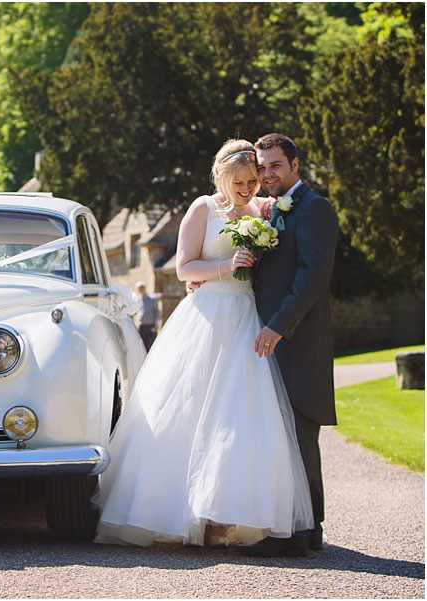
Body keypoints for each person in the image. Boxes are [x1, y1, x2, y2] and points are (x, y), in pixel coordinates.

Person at [94, 139, 314, 550]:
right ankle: (182, 512)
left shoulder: (261, 212)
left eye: (252, 181)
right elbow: (182, 267)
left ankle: (227, 516)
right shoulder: (203, 208)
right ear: (221, 177)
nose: (248, 188)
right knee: (189, 411)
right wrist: (226, 266)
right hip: (206, 317)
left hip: (245, 317)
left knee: (240, 416)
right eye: (240, 181)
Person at [239, 133, 339, 557]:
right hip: (265, 340)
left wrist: (278, 327)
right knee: (275, 436)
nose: (267, 174)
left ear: (295, 164)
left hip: (296, 342)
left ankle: (303, 532)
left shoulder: (315, 209)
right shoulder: (268, 211)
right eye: (261, 167)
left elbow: (313, 277)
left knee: (300, 436)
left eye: (275, 165)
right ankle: (297, 528)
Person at [135, 282, 159, 351]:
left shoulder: (152, 299)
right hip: (141, 327)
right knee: (142, 347)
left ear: (145, 288)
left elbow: (156, 312)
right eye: (139, 288)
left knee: (151, 346)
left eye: (142, 288)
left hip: (151, 326)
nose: (141, 290)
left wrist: (157, 323)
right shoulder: (137, 300)